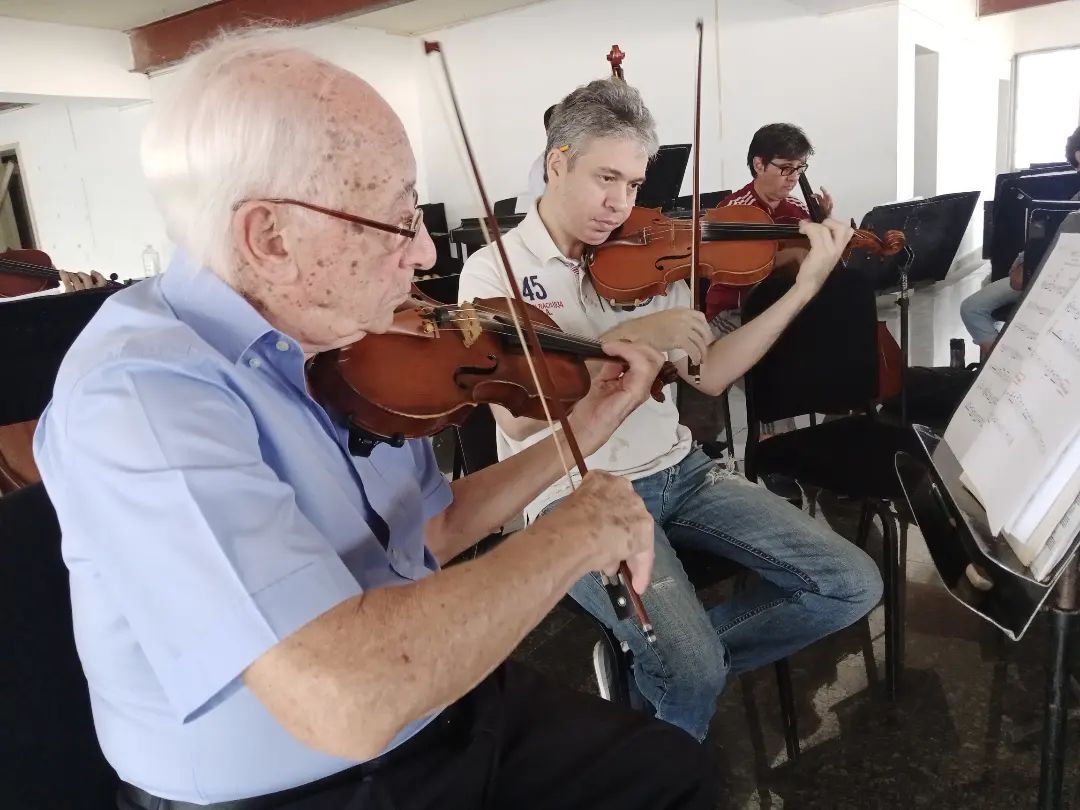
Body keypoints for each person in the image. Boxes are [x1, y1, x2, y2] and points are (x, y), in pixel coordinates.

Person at [32, 29, 718, 810]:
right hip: (305, 783)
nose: (426, 253)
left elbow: (424, 531)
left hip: (435, 705)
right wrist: (574, 533)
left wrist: (581, 432)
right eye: (398, 221)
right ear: (271, 237)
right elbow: (345, 700)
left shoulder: (342, 340)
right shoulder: (140, 398)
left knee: (672, 775)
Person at [457, 78, 883, 743]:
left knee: (852, 585)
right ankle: (676, 706)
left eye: (633, 184)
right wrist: (620, 346)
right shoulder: (492, 274)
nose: (620, 204)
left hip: (684, 471)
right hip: (577, 498)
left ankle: (662, 670)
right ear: (557, 162)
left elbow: (708, 375)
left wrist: (801, 292)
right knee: (690, 671)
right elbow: (517, 420)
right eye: (606, 178)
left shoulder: (656, 253)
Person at [961, 125, 1080, 360]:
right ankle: (998, 366)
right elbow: (1049, 237)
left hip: (1065, 286)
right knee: (973, 306)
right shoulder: (1075, 199)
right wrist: (1025, 264)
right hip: (1042, 274)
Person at [705, 123, 832, 332]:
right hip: (734, 311)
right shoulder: (733, 211)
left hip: (783, 306)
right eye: (786, 168)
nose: (794, 177)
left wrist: (824, 222)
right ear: (759, 165)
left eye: (800, 168)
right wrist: (789, 255)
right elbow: (738, 267)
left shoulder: (797, 207)